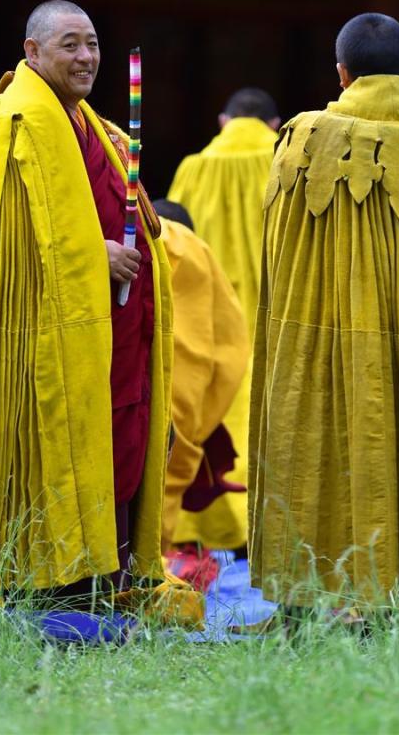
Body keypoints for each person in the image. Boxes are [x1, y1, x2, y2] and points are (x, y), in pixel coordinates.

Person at [0, 0, 199, 621]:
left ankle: (99, 578)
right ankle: (47, 581)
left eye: (92, 44)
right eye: (70, 45)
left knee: (118, 444)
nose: (87, 57)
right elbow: (9, 249)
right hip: (40, 345)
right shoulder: (9, 125)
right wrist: (98, 257)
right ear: (32, 52)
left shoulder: (96, 128)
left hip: (111, 339)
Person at [249, 13, 399, 608]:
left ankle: (317, 596)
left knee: (326, 440)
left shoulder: (307, 140)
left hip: (332, 336)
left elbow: (282, 259)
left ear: (341, 73)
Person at [167, 88, 280, 551]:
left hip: (211, 317)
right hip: (276, 316)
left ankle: (203, 535)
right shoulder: (287, 158)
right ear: (275, 125)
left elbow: (171, 239)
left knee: (216, 415)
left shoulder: (195, 167)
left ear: (222, 121)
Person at [152, 200, 249, 588]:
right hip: (182, 401)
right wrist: (201, 422)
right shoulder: (189, 247)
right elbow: (229, 349)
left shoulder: (152, 240)